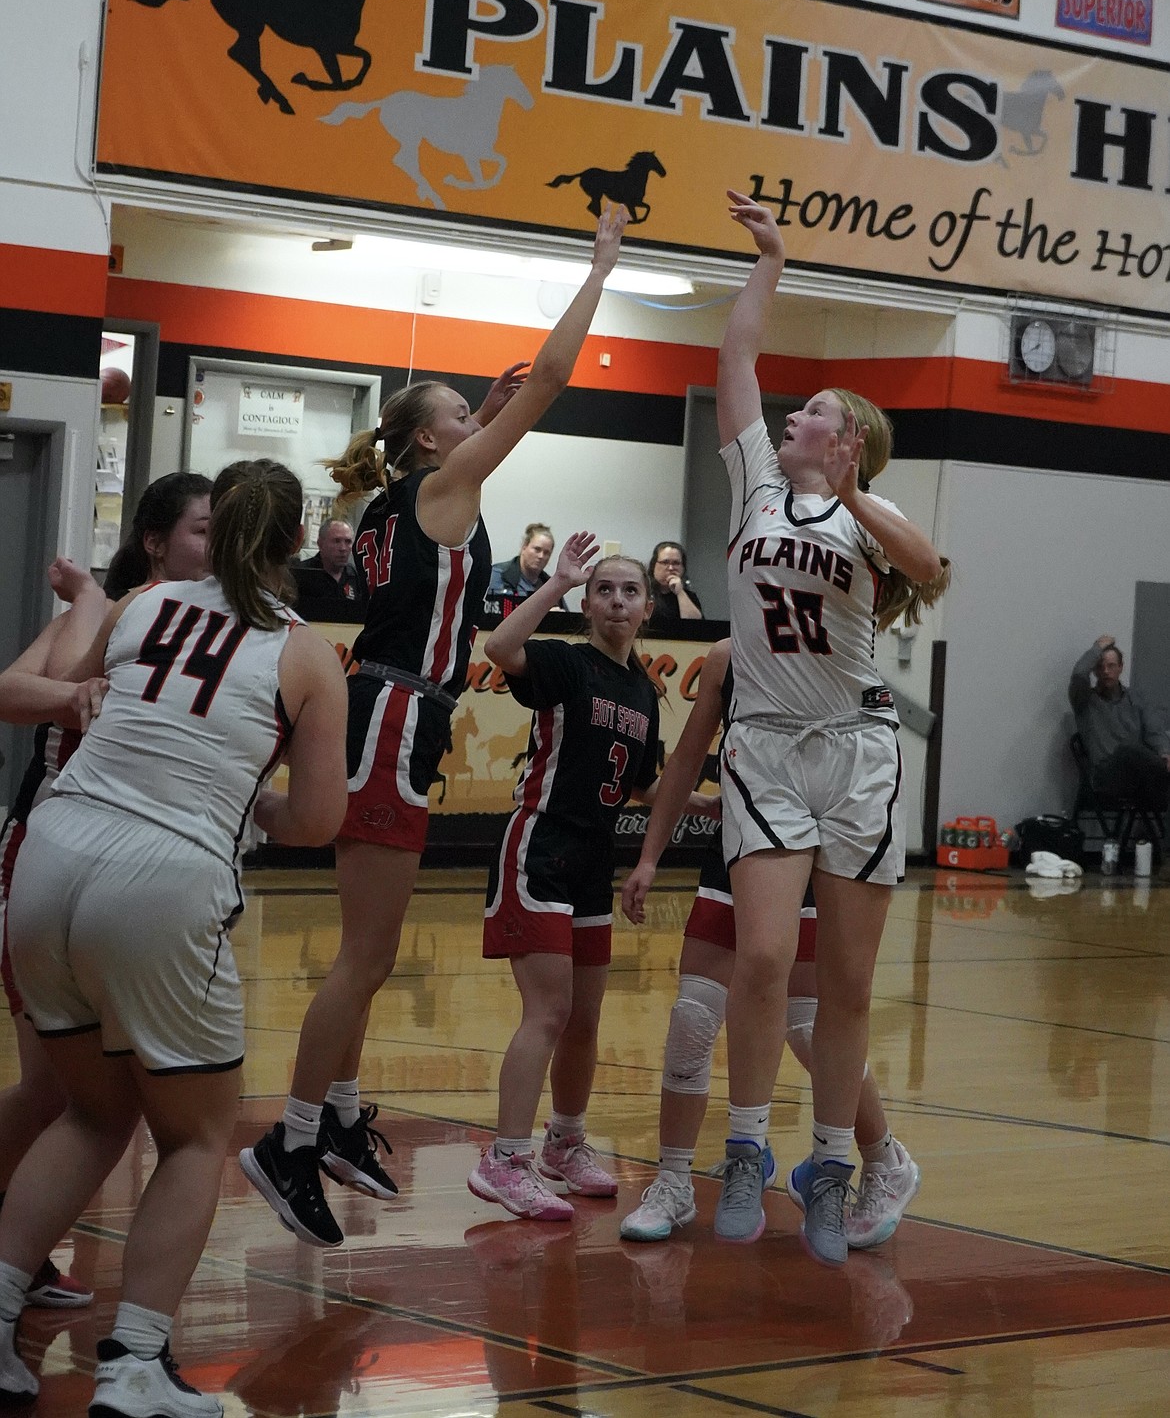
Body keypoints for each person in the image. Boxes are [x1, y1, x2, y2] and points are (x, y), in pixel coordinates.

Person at [240, 208, 630, 1249]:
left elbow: (486, 427)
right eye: (464, 411)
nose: (480, 419)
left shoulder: (397, 501)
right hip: (396, 707)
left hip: (397, 705)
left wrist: (483, 410)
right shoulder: (442, 487)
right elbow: (547, 382)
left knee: (370, 950)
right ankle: (292, 1136)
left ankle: (342, 1113)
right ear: (429, 438)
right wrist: (598, 268)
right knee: (364, 956)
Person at [0, 458, 348, 1416]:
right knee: (194, 1136)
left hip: (49, 853)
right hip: (160, 876)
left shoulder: (140, 605)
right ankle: (136, 1364)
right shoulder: (307, 653)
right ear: (291, 542)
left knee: (89, 1109)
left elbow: (53, 696)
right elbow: (320, 820)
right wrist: (259, 802)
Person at [711, 188, 947, 1266]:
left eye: (814, 409)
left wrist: (858, 495)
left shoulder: (867, 517)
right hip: (762, 740)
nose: (791, 414)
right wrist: (772, 258)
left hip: (854, 752)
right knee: (762, 958)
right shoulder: (756, 476)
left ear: (847, 438)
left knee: (845, 984)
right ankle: (748, 1149)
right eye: (793, 408)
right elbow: (740, 356)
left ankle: (836, 1164)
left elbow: (932, 568)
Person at [620, 639, 919, 1248]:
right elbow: (685, 759)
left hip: (814, 854)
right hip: (741, 841)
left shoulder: (843, 651)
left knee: (812, 1027)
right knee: (693, 1018)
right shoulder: (730, 658)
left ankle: (884, 1160)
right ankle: (675, 1180)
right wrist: (649, 856)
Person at [0, 472, 212, 1313]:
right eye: (201, 529)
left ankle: (17, 1247)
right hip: (49, 852)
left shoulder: (231, 631)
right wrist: (75, 690)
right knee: (62, 1090)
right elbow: (14, 692)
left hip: (139, 878)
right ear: (158, 542)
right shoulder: (115, 608)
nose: (215, 544)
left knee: (89, 1095)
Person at [469, 535, 711, 1221]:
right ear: (587, 602)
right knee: (546, 1010)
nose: (616, 599)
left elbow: (641, 786)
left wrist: (694, 805)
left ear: (647, 606)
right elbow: (498, 648)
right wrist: (555, 583)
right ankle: (504, 1157)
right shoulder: (566, 663)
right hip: (539, 844)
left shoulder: (642, 689)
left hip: (592, 863)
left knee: (583, 1018)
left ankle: (564, 1144)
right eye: (603, 588)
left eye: (629, 590)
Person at [1069, 635, 1170, 815]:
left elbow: (1154, 730)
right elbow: (1078, 674)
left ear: (1121, 668)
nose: (1106, 671)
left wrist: (1164, 751)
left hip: (1139, 776)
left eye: (1111, 666)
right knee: (1128, 750)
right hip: (1106, 777)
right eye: (1100, 667)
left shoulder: (1135, 698)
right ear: (1094, 671)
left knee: (1149, 753)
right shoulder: (1085, 701)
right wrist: (1097, 648)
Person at [291, 518, 370, 623]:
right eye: (336, 541)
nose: (343, 548)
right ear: (320, 543)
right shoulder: (302, 574)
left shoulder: (357, 577)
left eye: (348, 542)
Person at [484, 523, 567, 617]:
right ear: (524, 547)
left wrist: (554, 617)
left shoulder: (552, 586)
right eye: (537, 549)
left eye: (546, 553)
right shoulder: (495, 576)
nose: (541, 556)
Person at [645, 541, 703, 631]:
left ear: (683, 568)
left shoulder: (689, 596)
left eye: (676, 563)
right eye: (665, 562)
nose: (671, 568)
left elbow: (695, 626)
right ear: (654, 566)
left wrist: (680, 592)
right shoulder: (644, 593)